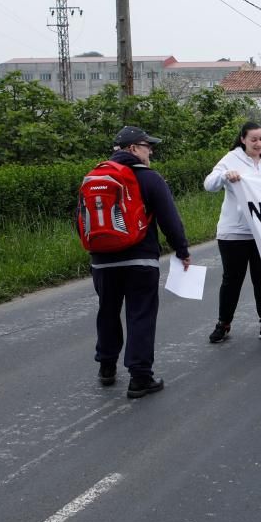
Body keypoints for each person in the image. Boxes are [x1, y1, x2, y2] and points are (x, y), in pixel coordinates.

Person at [92, 126, 192, 398]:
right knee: (141, 315)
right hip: (140, 259)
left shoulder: (95, 176)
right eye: (148, 146)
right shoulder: (149, 178)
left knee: (108, 312)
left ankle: (106, 368)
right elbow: (169, 219)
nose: (151, 151)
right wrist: (181, 250)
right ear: (133, 148)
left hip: (102, 261)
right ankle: (139, 378)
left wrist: (97, 253)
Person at [204, 122, 261, 344]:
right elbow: (209, 184)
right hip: (234, 233)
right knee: (232, 280)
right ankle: (223, 324)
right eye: (253, 140)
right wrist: (224, 176)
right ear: (243, 139)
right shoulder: (231, 159)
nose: (259, 143)